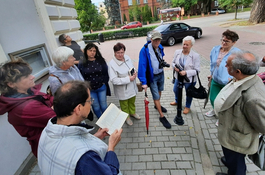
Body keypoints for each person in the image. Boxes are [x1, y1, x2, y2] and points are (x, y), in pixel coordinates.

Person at [38, 81, 122, 175]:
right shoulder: (85, 157)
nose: (91, 103)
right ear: (78, 109)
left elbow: (69, 147)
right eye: (89, 100)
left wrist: (95, 137)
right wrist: (111, 146)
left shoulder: (47, 131)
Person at [214, 51, 265, 175]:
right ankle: (230, 167)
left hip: (236, 140)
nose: (225, 66)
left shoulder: (253, 98)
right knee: (232, 161)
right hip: (229, 134)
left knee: (237, 165)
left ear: (238, 72)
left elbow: (263, 125)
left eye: (228, 65)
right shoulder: (244, 78)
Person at [0, 59, 56, 157]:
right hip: (51, 147)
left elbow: (52, 99)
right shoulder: (25, 108)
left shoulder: (29, 92)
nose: (32, 77)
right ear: (11, 84)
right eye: (26, 76)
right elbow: (59, 118)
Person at [138, 30, 171, 129]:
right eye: (155, 40)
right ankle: (161, 116)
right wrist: (143, 82)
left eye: (159, 40)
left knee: (160, 90)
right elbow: (142, 66)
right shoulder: (144, 50)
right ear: (151, 39)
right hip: (152, 77)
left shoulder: (160, 47)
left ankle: (157, 106)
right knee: (156, 95)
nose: (157, 42)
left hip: (161, 73)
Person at [205, 29, 240, 119]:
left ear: (234, 42)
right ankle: (215, 111)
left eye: (227, 41)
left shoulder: (237, 53)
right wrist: (211, 74)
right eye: (223, 40)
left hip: (227, 82)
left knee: (225, 101)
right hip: (215, 79)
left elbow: (238, 68)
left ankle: (222, 118)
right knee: (213, 99)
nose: (224, 43)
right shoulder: (215, 49)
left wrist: (231, 78)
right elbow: (212, 64)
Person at [108, 42, 140, 126]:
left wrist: (135, 72)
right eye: (118, 53)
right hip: (122, 90)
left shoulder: (127, 58)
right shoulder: (112, 64)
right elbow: (114, 80)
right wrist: (128, 79)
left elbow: (132, 67)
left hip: (132, 87)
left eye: (122, 52)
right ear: (114, 53)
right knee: (124, 105)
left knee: (132, 102)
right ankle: (126, 117)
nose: (120, 55)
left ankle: (132, 113)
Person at [78, 43, 110, 118]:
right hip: (90, 89)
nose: (92, 52)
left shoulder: (101, 60)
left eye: (94, 51)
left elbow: (106, 73)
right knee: (96, 107)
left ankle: (107, 120)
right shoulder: (82, 63)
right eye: (90, 50)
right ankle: (101, 121)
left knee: (104, 105)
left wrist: (104, 82)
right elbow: (81, 76)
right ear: (86, 51)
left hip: (101, 87)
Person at [170, 36, 200, 114]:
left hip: (189, 79)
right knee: (175, 90)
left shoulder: (195, 56)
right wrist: (174, 67)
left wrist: (186, 72)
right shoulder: (177, 52)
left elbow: (197, 70)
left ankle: (187, 106)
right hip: (178, 77)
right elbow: (173, 62)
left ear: (191, 46)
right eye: (184, 44)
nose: (185, 46)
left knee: (189, 93)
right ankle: (177, 100)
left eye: (187, 45)